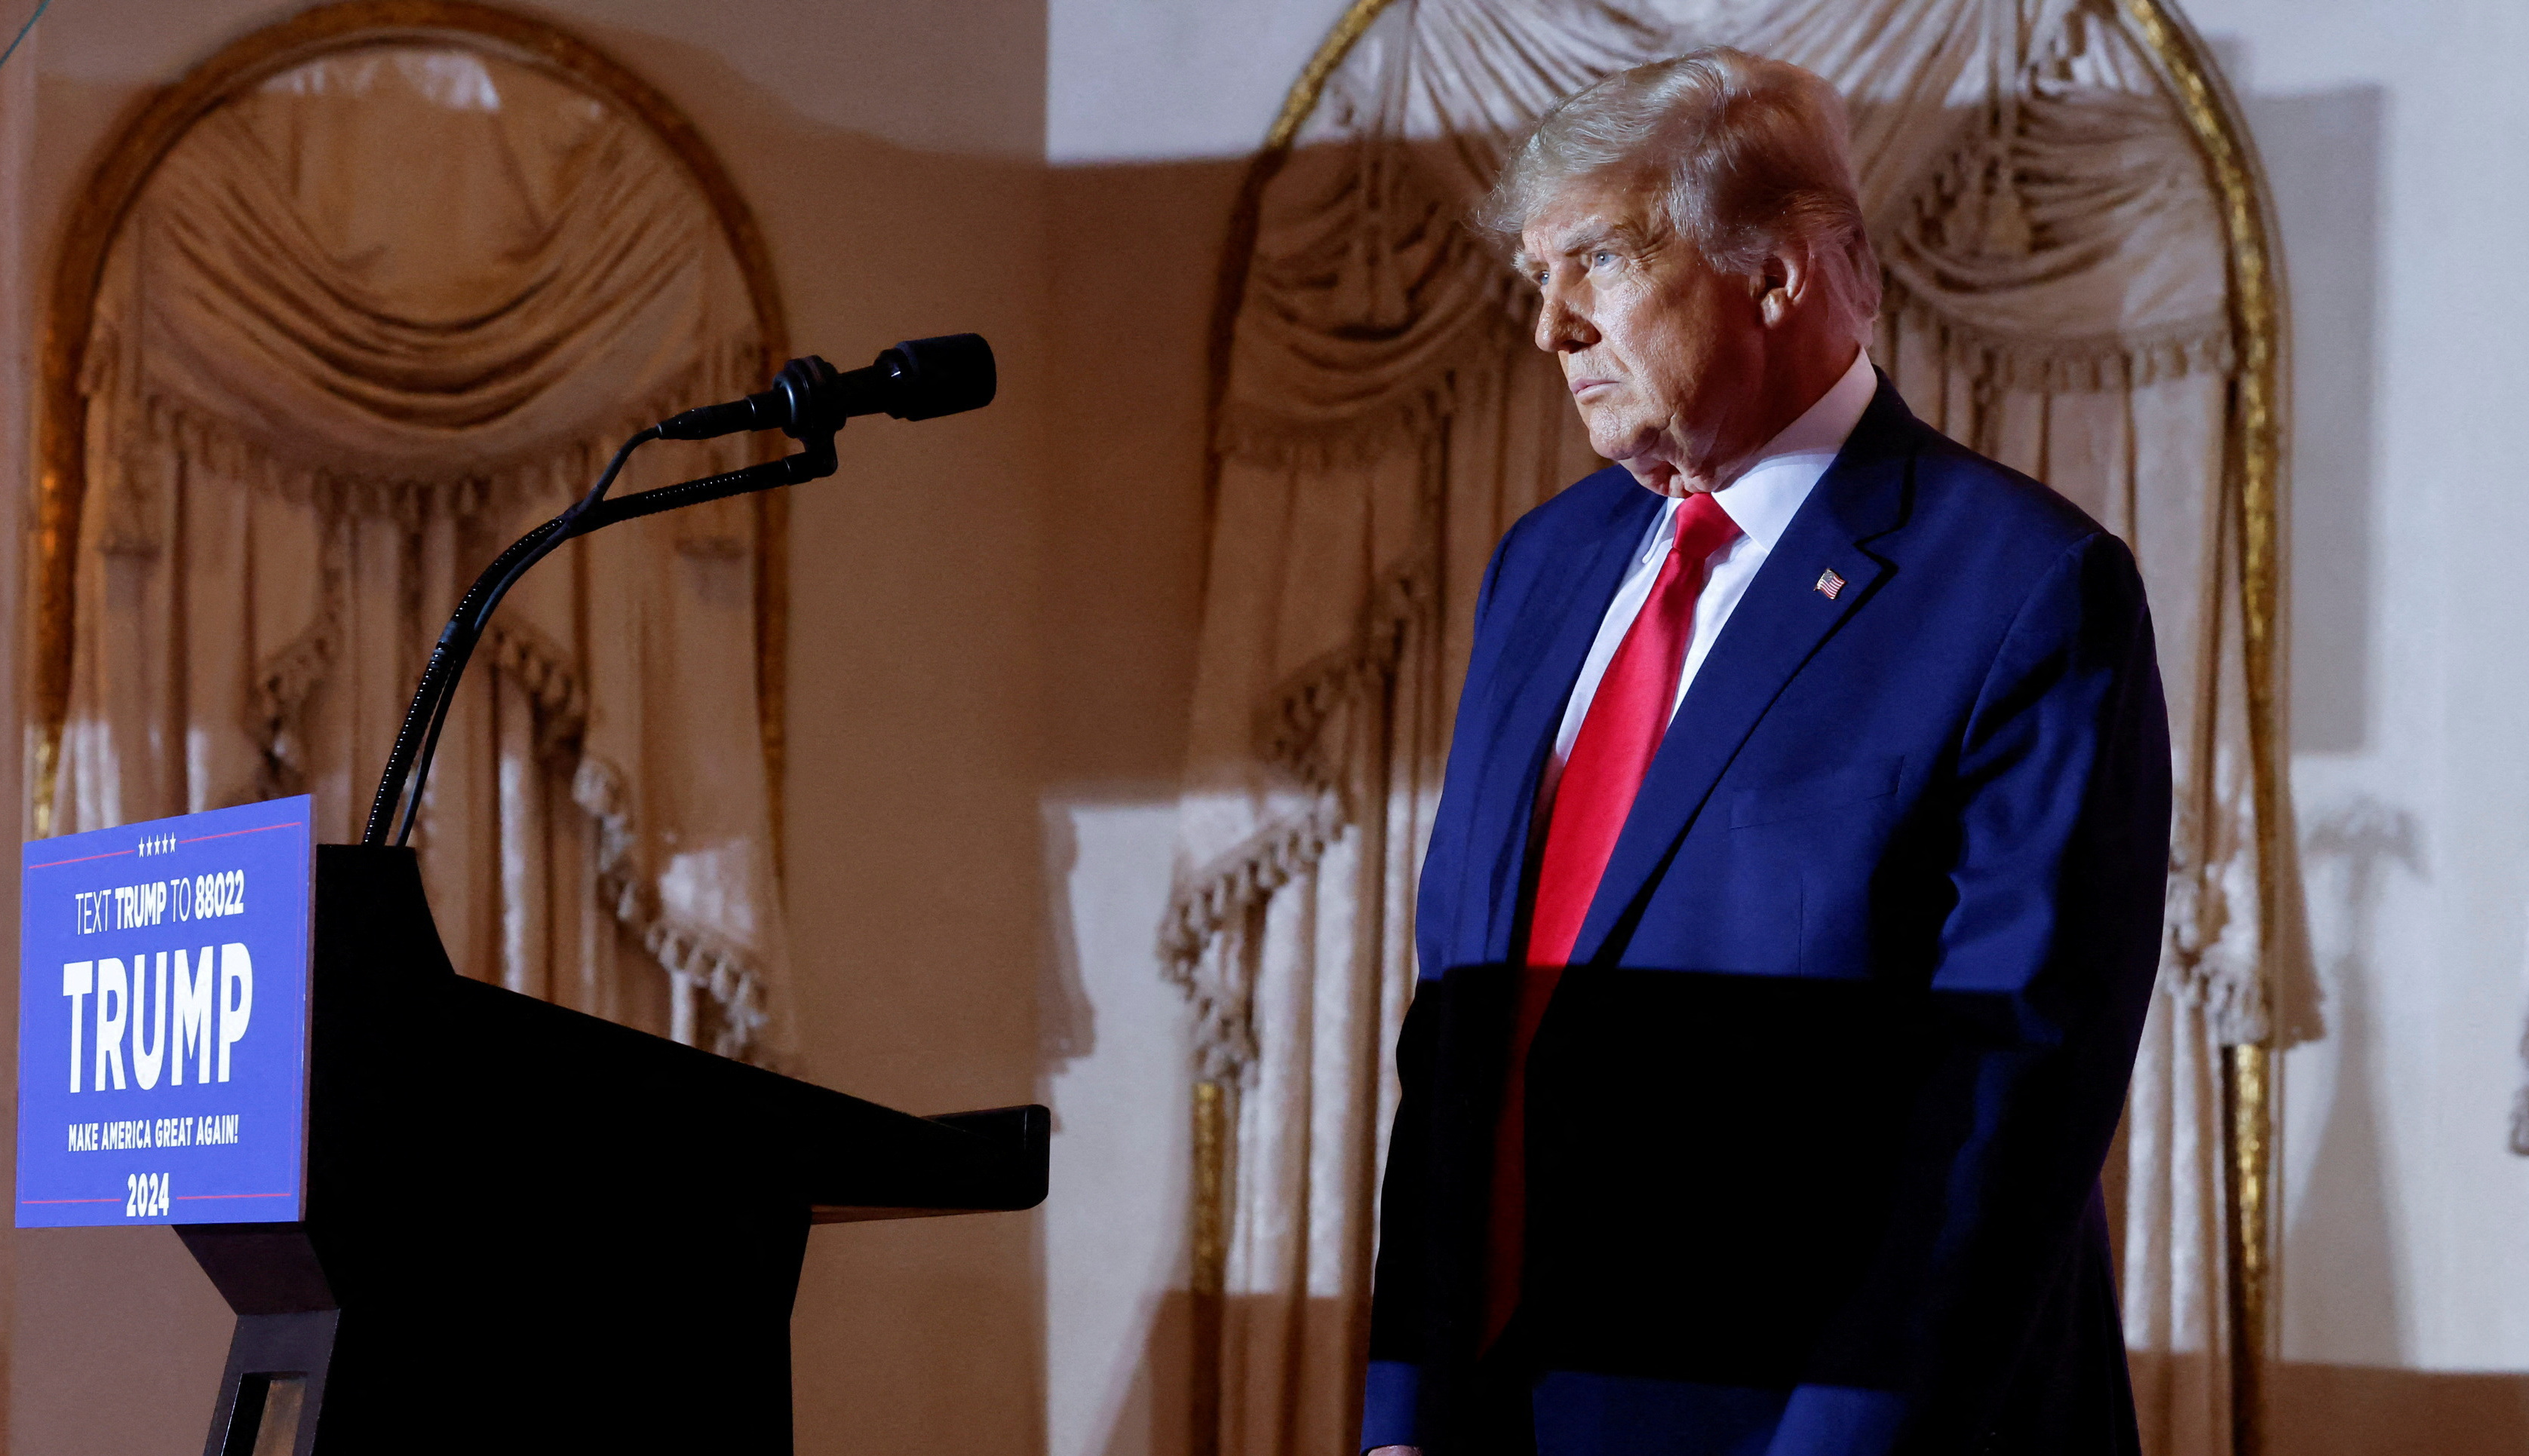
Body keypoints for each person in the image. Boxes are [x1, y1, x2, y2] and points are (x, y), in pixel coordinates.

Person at [1361, 48, 2169, 1456]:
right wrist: (1404, 1408)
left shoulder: (2022, 584)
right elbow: (1461, 1028)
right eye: (1535, 277)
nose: (1548, 327)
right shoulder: (1540, 567)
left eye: (1596, 262)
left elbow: (2004, 1097)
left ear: (1781, 276)